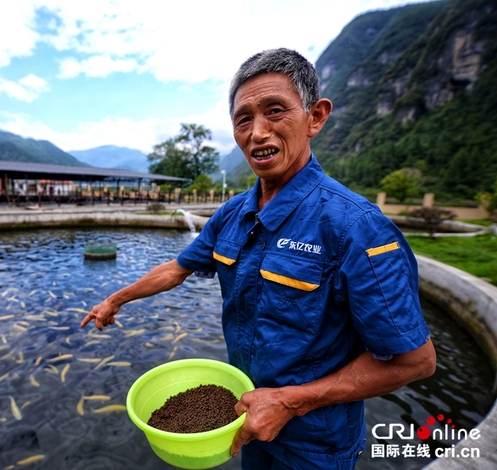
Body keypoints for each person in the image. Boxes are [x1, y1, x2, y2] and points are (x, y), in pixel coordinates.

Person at [80, 48, 436, 469]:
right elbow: (177, 269)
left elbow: (415, 362)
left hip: (315, 446)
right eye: (244, 118)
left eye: (275, 111)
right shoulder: (232, 214)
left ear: (315, 117)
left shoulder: (358, 228)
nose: (258, 132)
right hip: (245, 421)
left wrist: (288, 402)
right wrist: (116, 299)